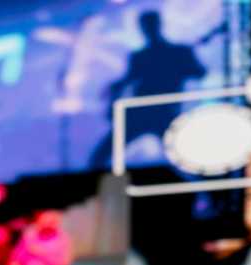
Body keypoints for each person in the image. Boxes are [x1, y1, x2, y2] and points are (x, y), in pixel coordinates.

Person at [88, 10, 215, 169]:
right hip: (147, 112)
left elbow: (199, 72)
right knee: (101, 156)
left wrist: (183, 61)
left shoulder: (169, 53)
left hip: (159, 111)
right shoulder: (148, 55)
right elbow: (129, 79)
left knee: (185, 157)